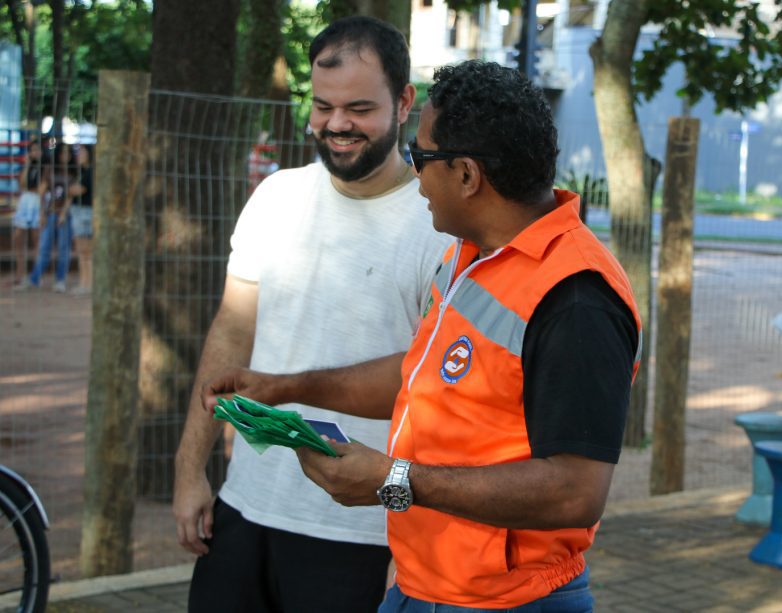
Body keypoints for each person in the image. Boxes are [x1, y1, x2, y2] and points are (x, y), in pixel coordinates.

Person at [204, 60, 642, 612]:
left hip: (506, 602)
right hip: (421, 587)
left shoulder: (575, 298)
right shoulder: (474, 252)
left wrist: (396, 479)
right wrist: (284, 386)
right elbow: (421, 372)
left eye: (421, 157)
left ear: (466, 175)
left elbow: (576, 491)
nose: (414, 175)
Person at [171, 16, 450, 613]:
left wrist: (417, 546)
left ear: (404, 102)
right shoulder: (276, 196)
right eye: (322, 106)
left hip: (364, 532)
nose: (336, 124)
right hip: (245, 507)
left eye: (358, 107)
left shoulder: (440, 225)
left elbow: (442, 388)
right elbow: (231, 332)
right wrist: (190, 467)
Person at [27, 143, 74, 292]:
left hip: (65, 215)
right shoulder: (50, 170)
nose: (65, 155)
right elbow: (41, 191)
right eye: (63, 152)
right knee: (44, 247)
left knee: (63, 248)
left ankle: (60, 280)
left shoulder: (73, 171)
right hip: (50, 212)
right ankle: (34, 279)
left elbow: (71, 196)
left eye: (68, 152)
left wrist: (63, 213)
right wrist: (41, 213)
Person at [11, 140, 46, 290]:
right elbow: (23, 184)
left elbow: (42, 188)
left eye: (37, 150)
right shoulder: (29, 166)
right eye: (32, 150)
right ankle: (21, 274)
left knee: (36, 239)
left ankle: (35, 276)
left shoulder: (45, 167)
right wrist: (26, 164)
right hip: (26, 200)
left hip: (37, 201)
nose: (35, 153)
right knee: (18, 237)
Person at [69, 144, 94, 295]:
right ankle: (83, 283)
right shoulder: (81, 172)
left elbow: (79, 189)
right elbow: (72, 190)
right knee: (81, 251)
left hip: (86, 213)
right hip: (78, 211)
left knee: (87, 252)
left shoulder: (90, 172)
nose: (79, 155)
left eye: (82, 152)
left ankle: (88, 284)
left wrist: (72, 189)